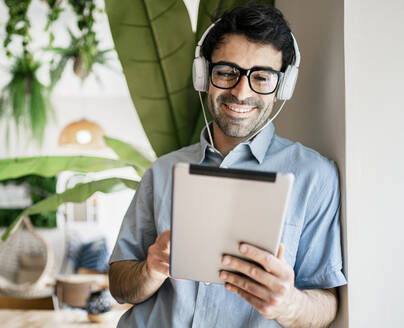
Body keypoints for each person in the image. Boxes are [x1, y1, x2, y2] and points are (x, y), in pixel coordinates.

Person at [108, 3, 347, 327]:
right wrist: (151, 269)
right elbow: (120, 284)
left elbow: (327, 302)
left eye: (261, 77)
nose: (240, 91)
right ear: (204, 76)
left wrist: (287, 303)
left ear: (282, 87)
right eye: (226, 72)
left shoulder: (314, 176)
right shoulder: (162, 172)